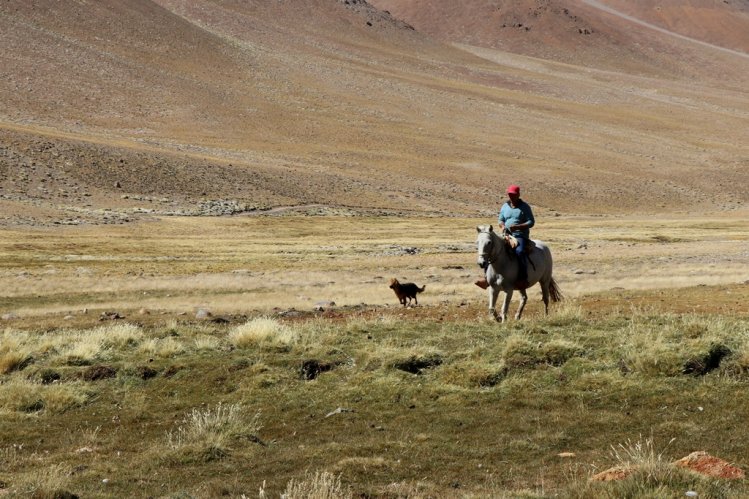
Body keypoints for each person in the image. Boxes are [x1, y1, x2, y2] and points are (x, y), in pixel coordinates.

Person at [475, 184, 535, 290]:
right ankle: (486, 278)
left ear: (518, 194)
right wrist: (502, 225)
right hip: (506, 235)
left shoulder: (525, 207)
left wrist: (518, 227)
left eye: (514, 194)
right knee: (491, 250)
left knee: (520, 251)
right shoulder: (505, 206)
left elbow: (531, 222)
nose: (511, 196)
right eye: (510, 194)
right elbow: (501, 219)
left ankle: (522, 278)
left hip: (520, 236)